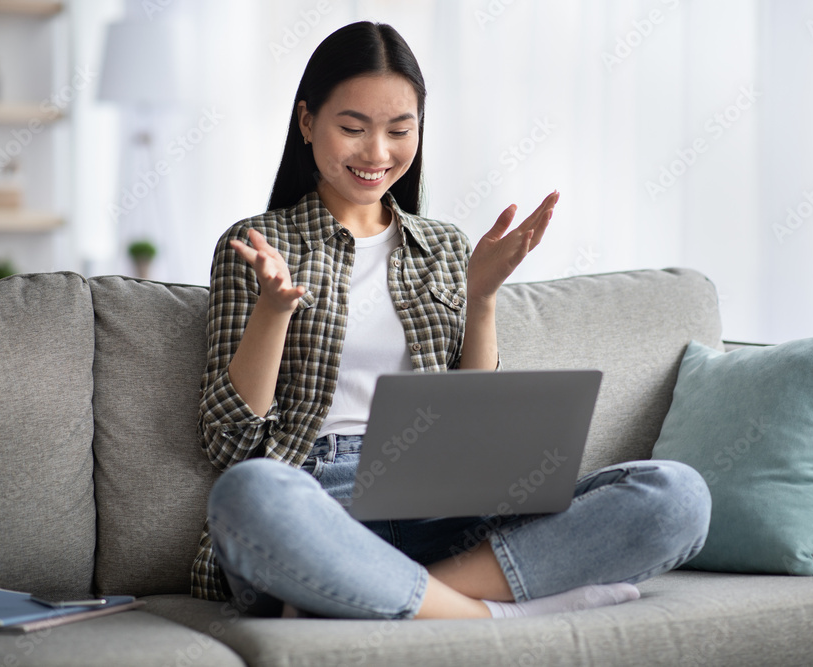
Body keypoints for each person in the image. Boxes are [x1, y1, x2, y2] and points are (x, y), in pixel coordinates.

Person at [191, 20, 710, 620]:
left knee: (676, 496)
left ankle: (375, 595)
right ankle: (491, 614)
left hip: (445, 505)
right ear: (307, 122)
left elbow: (476, 432)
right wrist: (275, 310)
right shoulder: (258, 243)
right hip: (317, 499)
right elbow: (230, 446)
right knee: (247, 495)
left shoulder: (442, 247)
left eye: (399, 130)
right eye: (352, 128)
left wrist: (482, 295)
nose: (377, 154)